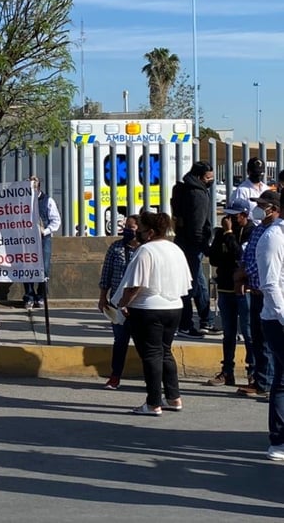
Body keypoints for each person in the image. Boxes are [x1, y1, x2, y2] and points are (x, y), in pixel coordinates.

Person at [112, 212, 192, 416]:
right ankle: (174, 397)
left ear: (151, 232)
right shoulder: (175, 249)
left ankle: (153, 402)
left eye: (141, 228)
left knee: (151, 355)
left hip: (148, 309)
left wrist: (123, 304)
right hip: (174, 306)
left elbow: (136, 284)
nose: (136, 231)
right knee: (165, 352)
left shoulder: (146, 251)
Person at [206, 197, 254, 387]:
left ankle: (253, 371)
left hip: (244, 289)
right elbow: (214, 259)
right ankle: (227, 371)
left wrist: (229, 234)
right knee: (228, 333)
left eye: (234, 216)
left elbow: (240, 256)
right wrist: (225, 235)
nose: (229, 219)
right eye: (228, 216)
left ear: (244, 215)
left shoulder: (251, 232)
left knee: (249, 332)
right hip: (225, 287)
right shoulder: (221, 233)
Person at [236, 190, 279, 398]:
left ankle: (266, 382)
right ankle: (261, 378)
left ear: (274, 209)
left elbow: (263, 265)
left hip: (266, 293)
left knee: (265, 341)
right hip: (254, 290)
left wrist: (243, 273)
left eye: (263, 205)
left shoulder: (274, 233)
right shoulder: (260, 229)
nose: (259, 209)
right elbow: (248, 255)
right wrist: (241, 274)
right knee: (256, 338)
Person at [253, 194, 284, 461]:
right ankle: (279, 441)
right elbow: (270, 283)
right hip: (278, 319)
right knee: (283, 380)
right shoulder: (274, 237)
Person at [172, 161, 218, 337]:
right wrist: (205, 247)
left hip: (185, 242)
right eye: (208, 177)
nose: (211, 181)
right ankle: (185, 324)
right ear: (200, 177)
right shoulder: (198, 194)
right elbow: (198, 225)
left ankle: (206, 321)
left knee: (199, 285)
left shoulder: (185, 189)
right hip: (193, 246)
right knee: (189, 287)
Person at [97, 214, 141, 390]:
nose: (128, 230)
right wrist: (102, 298)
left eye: (132, 227)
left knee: (144, 344)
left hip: (138, 304)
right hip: (117, 303)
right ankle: (115, 377)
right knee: (120, 341)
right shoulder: (116, 248)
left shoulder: (144, 250)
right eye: (126, 227)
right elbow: (106, 274)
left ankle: (152, 379)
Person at [23, 175, 61, 309]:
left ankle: (41, 295)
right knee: (27, 267)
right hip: (26, 239)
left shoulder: (47, 200)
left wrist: (45, 230)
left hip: (43, 238)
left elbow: (56, 220)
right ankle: (29, 295)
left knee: (44, 268)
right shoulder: (22, 200)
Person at [229, 157, 268, 225]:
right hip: (250, 229)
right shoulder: (242, 190)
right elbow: (238, 213)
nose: (258, 176)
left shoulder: (266, 188)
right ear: (248, 171)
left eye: (260, 173)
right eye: (255, 173)